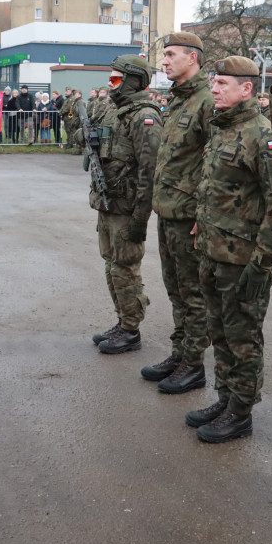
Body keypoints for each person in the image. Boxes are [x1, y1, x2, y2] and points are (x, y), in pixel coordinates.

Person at [187, 56, 272, 443]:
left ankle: (241, 412)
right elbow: (219, 187)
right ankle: (225, 397)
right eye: (213, 82)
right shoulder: (223, 128)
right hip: (212, 251)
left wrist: (261, 264)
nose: (213, 89)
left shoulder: (261, 134)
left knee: (243, 338)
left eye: (221, 83)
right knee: (218, 330)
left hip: (242, 260)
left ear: (246, 88)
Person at [141, 33, 214, 395]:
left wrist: (205, 213)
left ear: (193, 58)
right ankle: (180, 352)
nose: (165, 61)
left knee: (193, 292)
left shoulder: (208, 101)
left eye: (171, 55)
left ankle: (194, 364)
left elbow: (214, 164)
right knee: (176, 290)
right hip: (168, 210)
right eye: (164, 55)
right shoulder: (178, 100)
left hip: (189, 216)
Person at [90, 55, 162, 355]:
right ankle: (122, 321)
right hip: (109, 202)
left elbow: (150, 170)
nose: (111, 83)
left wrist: (140, 219)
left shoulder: (144, 116)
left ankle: (131, 329)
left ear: (133, 80)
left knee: (126, 268)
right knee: (112, 264)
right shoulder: (116, 111)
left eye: (117, 79)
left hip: (128, 207)